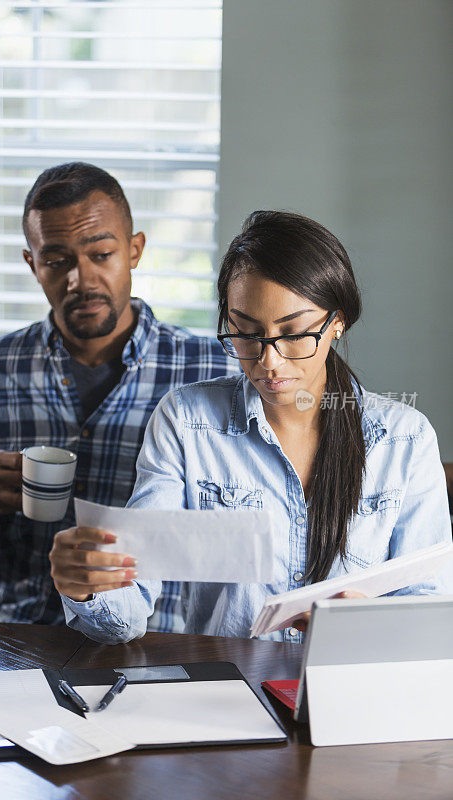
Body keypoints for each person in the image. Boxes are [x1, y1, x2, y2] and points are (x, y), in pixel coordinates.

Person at [50, 210, 452, 644]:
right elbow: (125, 617)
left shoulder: (405, 439)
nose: (269, 361)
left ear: (337, 323)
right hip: (229, 689)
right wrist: (87, 586)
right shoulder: (187, 423)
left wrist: (363, 625)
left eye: (294, 333)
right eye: (246, 333)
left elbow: (432, 609)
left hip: (354, 685)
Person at [0, 162, 238, 628]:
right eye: (57, 261)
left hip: (154, 639)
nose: (81, 279)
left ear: (134, 250)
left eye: (101, 254)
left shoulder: (215, 371)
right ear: (32, 264)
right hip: (13, 635)